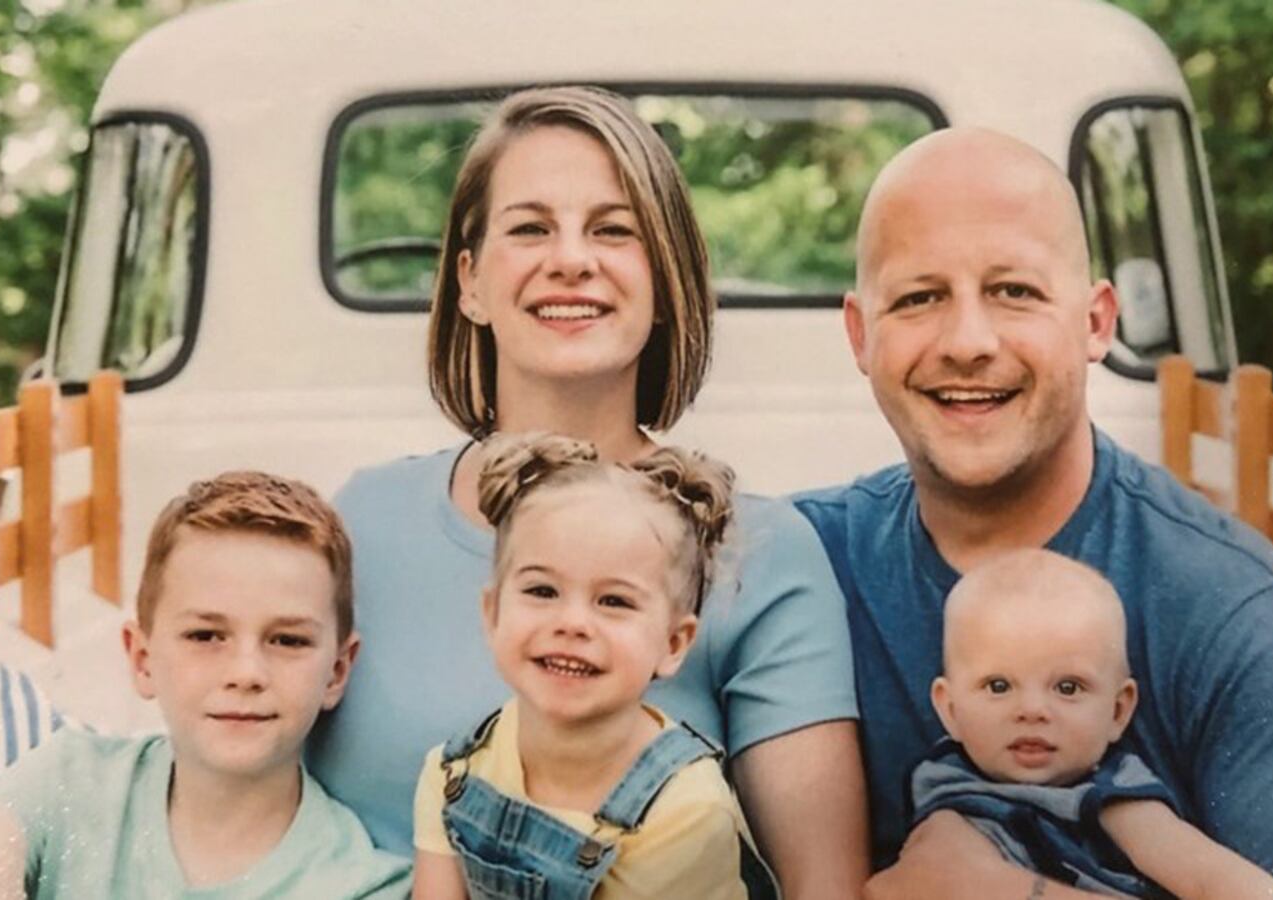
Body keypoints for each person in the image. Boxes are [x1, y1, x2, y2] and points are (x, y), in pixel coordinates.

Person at [791, 126, 1273, 898]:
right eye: (920, 298)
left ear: (1095, 322)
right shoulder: (800, 564)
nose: (968, 341)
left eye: (1013, 292)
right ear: (860, 334)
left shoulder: (1219, 594)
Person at [305, 85, 866, 897]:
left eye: (613, 230)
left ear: (667, 279)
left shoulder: (759, 552)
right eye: (530, 228)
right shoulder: (363, 520)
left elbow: (823, 888)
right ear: (469, 282)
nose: (571, 258)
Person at [0, 472, 410, 899]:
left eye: (287, 641)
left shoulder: (360, 884)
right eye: (206, 635)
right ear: (142, 658)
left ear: (338, 671)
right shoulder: (68, 782)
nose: (246, 672)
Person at [413, 433, 768, 900]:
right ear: (493, 612)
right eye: (542, 591)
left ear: (673, 642)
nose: (573, 623)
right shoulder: (457, 771)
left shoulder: (686, 810)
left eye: (614, 601)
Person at [911, 548, 1273, 900]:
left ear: (1117, 712)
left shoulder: (1112, 795)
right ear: (950, 708)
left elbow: (1207, 874)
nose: (1031, 710)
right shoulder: (945, 785)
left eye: (1067, 687)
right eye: (999, 686)